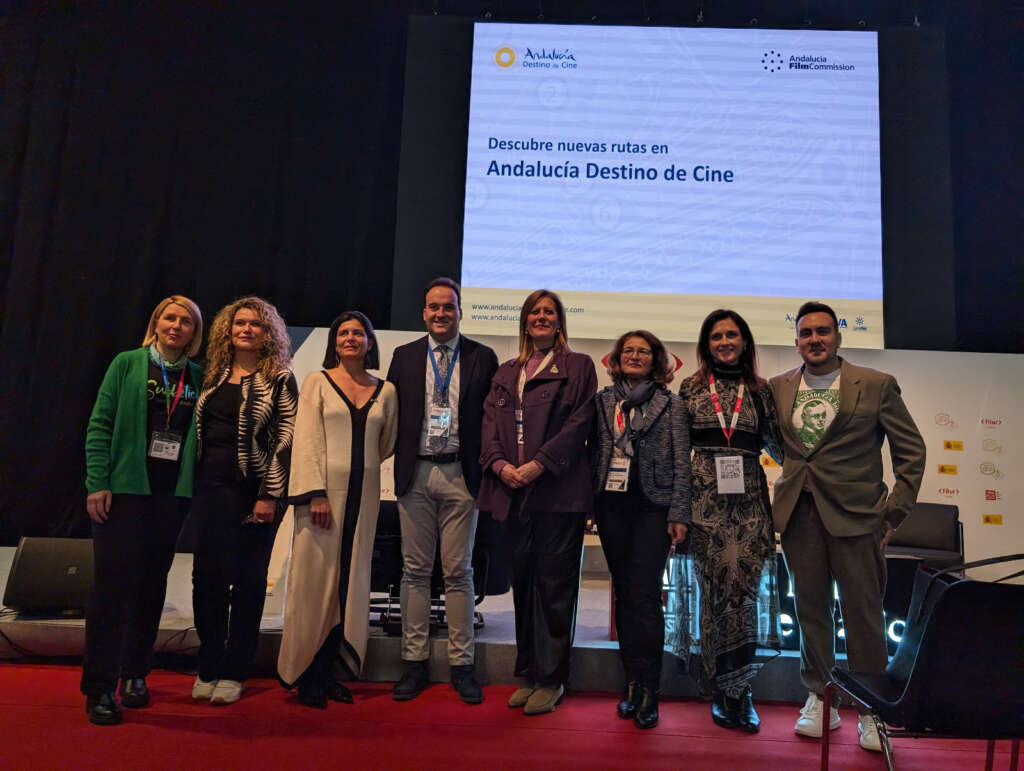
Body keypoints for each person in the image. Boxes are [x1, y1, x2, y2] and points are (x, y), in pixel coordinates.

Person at [769, 301, 925, 752]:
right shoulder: (778, 387)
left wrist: (894, 512)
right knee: (810, 610)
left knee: (863, 614)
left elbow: (911, 451)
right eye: (806, 333)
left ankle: (871, 708)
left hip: (858, 517)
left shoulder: (875, 384)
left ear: (837, 336)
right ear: (796, 341)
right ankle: (821, 698)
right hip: (799, 515)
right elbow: (785, 447)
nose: (814, 340)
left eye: (822, 331)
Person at [82, 295, 204, 725]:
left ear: (194, 332)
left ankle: (135, 673)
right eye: (170, 318)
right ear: (156, 323)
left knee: (152, 586)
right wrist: (97, 483)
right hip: (124, 492)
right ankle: (99, 686)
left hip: (171, 497)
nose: (176, 326)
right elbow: (100, 424)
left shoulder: (198, 376)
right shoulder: (127, 364)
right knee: (111, 589)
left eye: (186, 321)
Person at [478, 289, 597, 716]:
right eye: (535, 312)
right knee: (525, 585)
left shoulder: (578, 366)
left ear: (560, 321)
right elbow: (490, 425)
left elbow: (580, 424)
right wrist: (499, 465)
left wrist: (538, 465)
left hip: (557, 493)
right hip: (513, 491)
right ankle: (528, 672)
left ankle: (551, 679)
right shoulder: (507, 371)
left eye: (549, 311)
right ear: (525, 321)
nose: (541, 317)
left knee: (554, 588)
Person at [668, 309, 783, 733]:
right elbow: (680, 456)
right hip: (704, 507)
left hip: (750, 508)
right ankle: (719, 688)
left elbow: (782, 448)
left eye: (732, 335)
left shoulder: (762, 391)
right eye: (716, 336)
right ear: (706, 344)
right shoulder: (691, 387)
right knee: (714, 595)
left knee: (745, 596)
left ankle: (742, 689)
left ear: (745, 341)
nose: (724, 342)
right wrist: (678, 511)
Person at [386, 278, 499, 703]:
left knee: (459, 572)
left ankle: (462, 665)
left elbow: (492, 420)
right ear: (423, 313)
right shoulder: (404, 356)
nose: (440, 314)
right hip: (414, 474)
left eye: (448, 307)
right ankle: (413, 662)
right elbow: (391, 414)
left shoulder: (482, 357)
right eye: (433, 307)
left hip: (460, 476)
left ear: (460, 312)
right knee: (414, 572)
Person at [277, 311, 397, 708]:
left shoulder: (387, 391)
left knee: (350, 583)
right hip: (322, 500)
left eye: (358, 333)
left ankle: (330, 672)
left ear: (369, 342)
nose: (350, 338)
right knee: (315, 585)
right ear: (334, 342)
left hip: (364, 500)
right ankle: (306, 673)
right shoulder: (317, 382)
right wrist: (317, 492)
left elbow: (387, 443)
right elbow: (306, 439)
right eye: (343, 333)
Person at [190, 297, 298, 705]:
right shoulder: (213, 374)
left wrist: (268, 495)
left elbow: (286, 440)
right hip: (210, 491)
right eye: (239, 323)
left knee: (249, 582)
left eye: (255, 324)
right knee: (207, 579)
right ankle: (209, 665)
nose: (246, 330)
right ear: (228, 329)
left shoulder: (280, 379)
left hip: (256, 494)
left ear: (268, 333)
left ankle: (235, 671)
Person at [590, 330, 690, 729]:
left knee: (646, 597)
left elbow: (681, 461)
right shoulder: (602, 401)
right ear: (617, 359)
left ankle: (650, 688)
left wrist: (679, 512)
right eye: (628, 351)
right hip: (611, 506)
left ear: (655, 360)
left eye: (643, 351)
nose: (635, 356)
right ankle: (631, 682)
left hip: (654, 507)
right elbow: (595, 453)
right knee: (624, 594)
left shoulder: (671, 403)